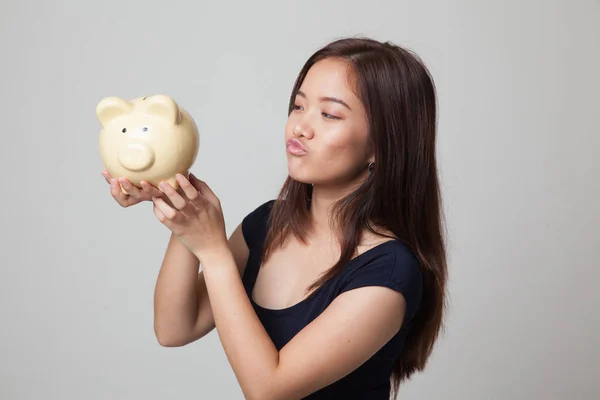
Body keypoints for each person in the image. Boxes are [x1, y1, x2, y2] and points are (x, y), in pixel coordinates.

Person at [101, 36, 448, 400]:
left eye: (329, 114)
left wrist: (215, 251)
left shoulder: (389, 271)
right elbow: (174, 328)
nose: (300, 127)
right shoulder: (268, 223)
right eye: (298, 106)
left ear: (381, 145)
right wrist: (180, 206)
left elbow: (269, 390)